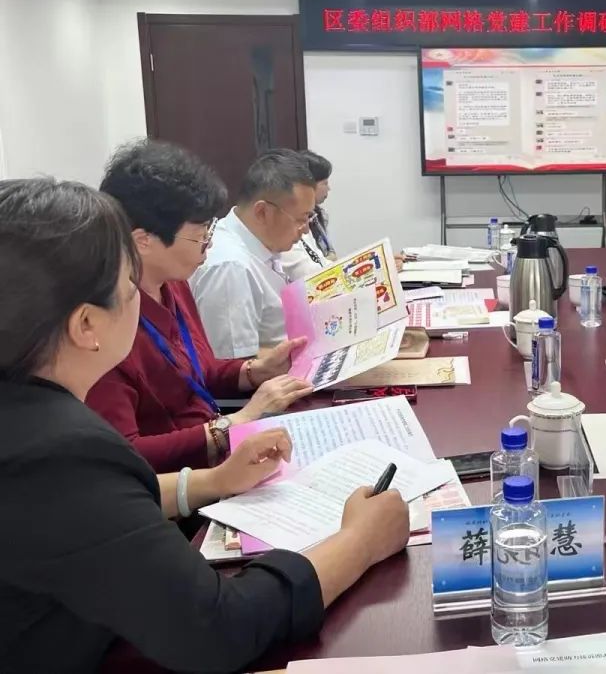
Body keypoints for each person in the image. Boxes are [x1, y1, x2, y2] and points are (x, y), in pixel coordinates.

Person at [0, 177, 410, 673]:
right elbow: (220, 627)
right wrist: (361, 541)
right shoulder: (59, 454)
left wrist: (212, 481)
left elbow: (89, 510)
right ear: (86, 325)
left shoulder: (34, 427)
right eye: (129, 285)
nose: (141, 297)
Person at [89, 142, 314, 473]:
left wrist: (254, 371)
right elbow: (128, 453)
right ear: (143, 241)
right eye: (199, 235)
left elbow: (196, 372)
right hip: (186, 481)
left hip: (219, 453)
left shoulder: (173, 283)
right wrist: (237, 422)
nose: (209, 245)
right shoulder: (103, 324)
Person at [191, 149, 317, 358]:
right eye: (300, 219)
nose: (305, 229)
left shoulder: (264, 243)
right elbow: (233, 362)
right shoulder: (230, 267)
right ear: (262, 212)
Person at [282, 149, 337, 282]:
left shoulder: (310, 216)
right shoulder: (284, 225)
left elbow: (320, 260)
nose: (329, 188)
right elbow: (307, 274)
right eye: (325, 183)